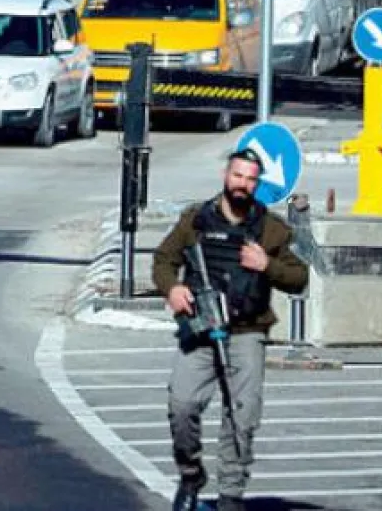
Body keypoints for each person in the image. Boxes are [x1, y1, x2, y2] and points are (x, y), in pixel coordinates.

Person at [152, 148, 310, 511]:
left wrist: (266, 264)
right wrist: (172, 289)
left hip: (246, 330)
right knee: (182, 404)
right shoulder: (196, 220)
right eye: (238, 176)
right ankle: (190, 477)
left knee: (242, 415)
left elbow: (298, 277)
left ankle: (230, 496)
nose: (243, 184)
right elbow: (164, 260)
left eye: (251, 179)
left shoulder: (270, 228)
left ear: (257, 183)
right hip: (201, 328)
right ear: (227, 175)